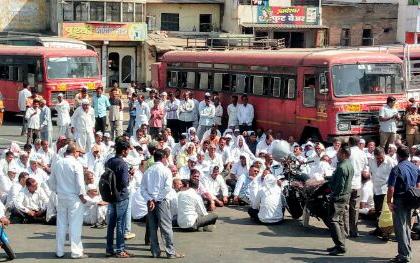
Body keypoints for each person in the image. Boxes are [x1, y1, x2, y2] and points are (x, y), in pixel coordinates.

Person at [141, 149, 184, 259]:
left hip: (150, 202)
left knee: (152, 227)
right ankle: (170, 252)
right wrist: (155, 199)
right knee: (166, 227)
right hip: (160, 201)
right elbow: (167, 188)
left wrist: (150, 199)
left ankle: (155, 251)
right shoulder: (166, 171)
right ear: (163, 158)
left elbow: (143, 189)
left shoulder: (147, 171)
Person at [49, 143, 87, 259]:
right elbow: (80, 184)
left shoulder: (57, 163)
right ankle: (76, 252)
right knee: (75, 225)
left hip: (61, 197)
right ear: (74, 152)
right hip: (74, 198)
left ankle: (59, 251)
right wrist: (82, 196)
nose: (78, 155)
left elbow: (51, 182)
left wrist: (58, 191)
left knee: (61, 225)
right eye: (78, 153)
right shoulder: (76, 164)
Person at [387, 146, 420, 263]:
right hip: (411, 200)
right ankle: (406, 253)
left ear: (398, 156)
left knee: (400, 228)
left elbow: (391, 188)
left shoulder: (396, 169)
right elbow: (418, 185)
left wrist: (388, 202)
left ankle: (404, 255)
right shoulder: (415, 167)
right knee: (407, 227)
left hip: (400, 200)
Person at [105, 140, 133, 258]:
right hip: (121, 196)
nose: (128, 152)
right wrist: (130, 175)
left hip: (111, 195)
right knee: (121, 223)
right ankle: (120, 249)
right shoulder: (123, 164)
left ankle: (109, 248)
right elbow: (124, 182)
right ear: (123, 150)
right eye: (127, 150)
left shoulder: (109, 161)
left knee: (111, 223)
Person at [325, 146, 354, 256]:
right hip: (345, 195)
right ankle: (340, 244)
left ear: (343, 154)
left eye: (339, 152)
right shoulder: (349, 165)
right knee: (339, 220)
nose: (337, 154)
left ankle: (340, 245)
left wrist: (334, 194)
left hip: (339, 196)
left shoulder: (342, 167)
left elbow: (340, 185)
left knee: (333, 220)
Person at [368, 147, 396, 236]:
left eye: (381, 158)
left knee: (385, 212)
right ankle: (379, 229)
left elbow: (395, 176)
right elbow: (371, 172)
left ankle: (386, 231)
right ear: (374, 156)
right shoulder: (371, 160)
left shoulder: (391, 162)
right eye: (378, 158)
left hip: (386, 189)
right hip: (376, 188)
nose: (379, 160)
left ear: (384, 154)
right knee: (377, 210)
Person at [346, 136, 367, 238]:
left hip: (347, 184)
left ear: (349, 143)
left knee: (346, 208)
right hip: (357, 184)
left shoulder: (347, 152)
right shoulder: (362, 153)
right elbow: (364, 168)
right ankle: (354, 231)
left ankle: (345, 231)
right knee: (355, 209)